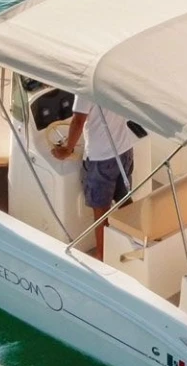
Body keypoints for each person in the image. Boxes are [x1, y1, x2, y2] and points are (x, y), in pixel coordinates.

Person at [51, 95, 137, 260]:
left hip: (101, 159)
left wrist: (67, 149)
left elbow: (78, 121)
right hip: (124, 150)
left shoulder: (85, 89)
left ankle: (102, 258)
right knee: (125, 202)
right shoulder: (113, 80)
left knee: (101, 212)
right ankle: (137, 245)